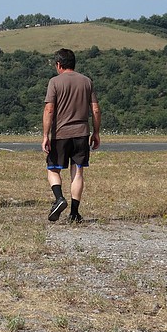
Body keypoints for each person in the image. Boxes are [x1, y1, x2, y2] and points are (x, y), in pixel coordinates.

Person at [41, 48, 101, 223]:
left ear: (59, 64)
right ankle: (74, 213)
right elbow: (95, 109)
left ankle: (59, 198)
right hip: (82, 133)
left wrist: (46, 135)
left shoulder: (55, 82)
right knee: (78, 171)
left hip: (60, 133)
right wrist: (96, 132)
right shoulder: (87, 81)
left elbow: (49, 109)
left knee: (53, 169)